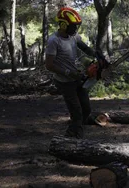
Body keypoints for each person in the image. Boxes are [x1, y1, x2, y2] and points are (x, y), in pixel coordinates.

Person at [45, 7, 97, 139]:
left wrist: (96, 54)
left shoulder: (74, 36)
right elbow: (49, 65)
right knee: (76, 110)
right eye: (73, 26)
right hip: (64, 81)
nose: (75, 29)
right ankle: (75, 138)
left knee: (86, 109)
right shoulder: (54, 41)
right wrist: (68, 73)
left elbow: (83, 47)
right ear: (63, 25)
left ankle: (74, 127)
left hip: (76, 78)